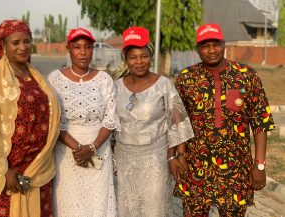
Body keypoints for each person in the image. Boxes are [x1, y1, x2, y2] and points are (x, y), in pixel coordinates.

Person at [175, 23, 275, 216]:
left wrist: (259, 165)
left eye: (216, 44)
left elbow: (260, 123)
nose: (211, 50)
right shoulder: (186, 78)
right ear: (197, 49)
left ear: (224, 44)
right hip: (196, 167)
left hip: (235, 170)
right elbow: (177, 122)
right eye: (205, 46)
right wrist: (177, 156)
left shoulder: (246, 75)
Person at [114, 26, 194, 217]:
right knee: (127, 209)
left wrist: (177, 155)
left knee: (154, 209)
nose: (139, 62)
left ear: (151, 57)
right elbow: (110, 122)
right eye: (133, 57)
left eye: (144, 56)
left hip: (155, 159)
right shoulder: (116, 86)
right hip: (125, 160)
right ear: (125, 60)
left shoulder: (164, 85)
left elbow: (178, 122)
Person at [0, 20, 60, 217]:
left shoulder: (36, 77)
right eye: (15, 42)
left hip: (39, 172)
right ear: (3, 45)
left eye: (27, 41)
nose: (23, 47)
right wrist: (4, 169)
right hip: (10, 177)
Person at [47, 28, 120, 217]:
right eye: (77, 47)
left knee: (97, 204)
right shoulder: (55, 79)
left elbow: (110, 119)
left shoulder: (104, 79)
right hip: (67, 154)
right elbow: (53, 120)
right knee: (68, 204)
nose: (83, 52)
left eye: (88, 47)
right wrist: (79, 148)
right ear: (68, 48)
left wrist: (92, 148)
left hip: (99, 150)